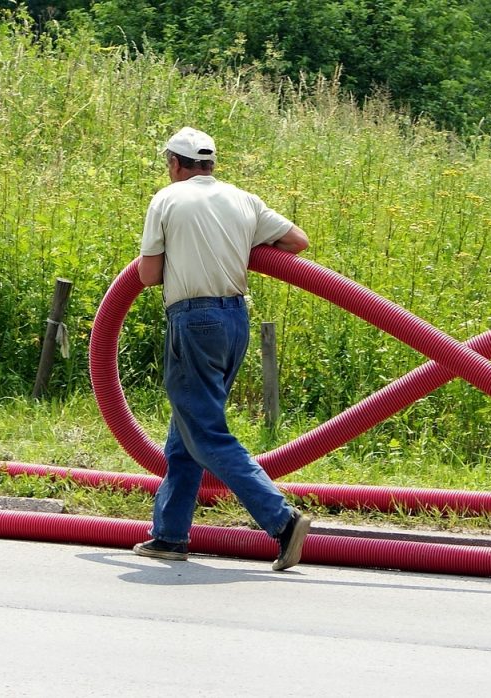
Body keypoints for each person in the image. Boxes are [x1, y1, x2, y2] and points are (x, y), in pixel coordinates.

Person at [133, 126, 312, 571]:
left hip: (193, 320)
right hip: (235, 321)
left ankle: (282, 520)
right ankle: (169, 536)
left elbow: (148, 276)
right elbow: (297, 242)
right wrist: (237, 243)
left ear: (174, 164)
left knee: (206, 433)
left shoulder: (167, 199)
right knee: (188, 428)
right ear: (211, 164)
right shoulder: (243, 199)